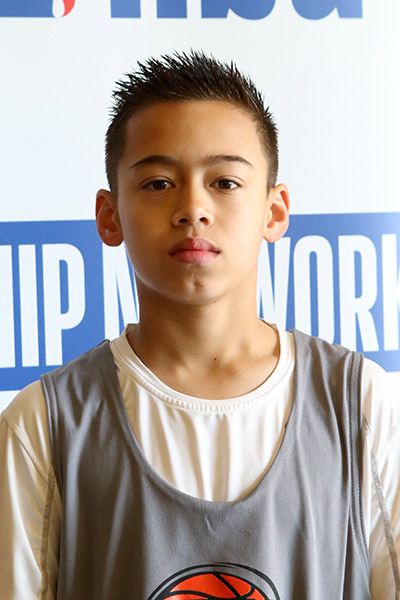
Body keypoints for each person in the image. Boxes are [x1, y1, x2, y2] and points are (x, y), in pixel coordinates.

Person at [0, 51, 399, 600]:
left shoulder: (360, 406)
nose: (193, 208)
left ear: (274, 212)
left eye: (225, 182)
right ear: (109, 217)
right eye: (158, 183)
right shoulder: (44, 426)